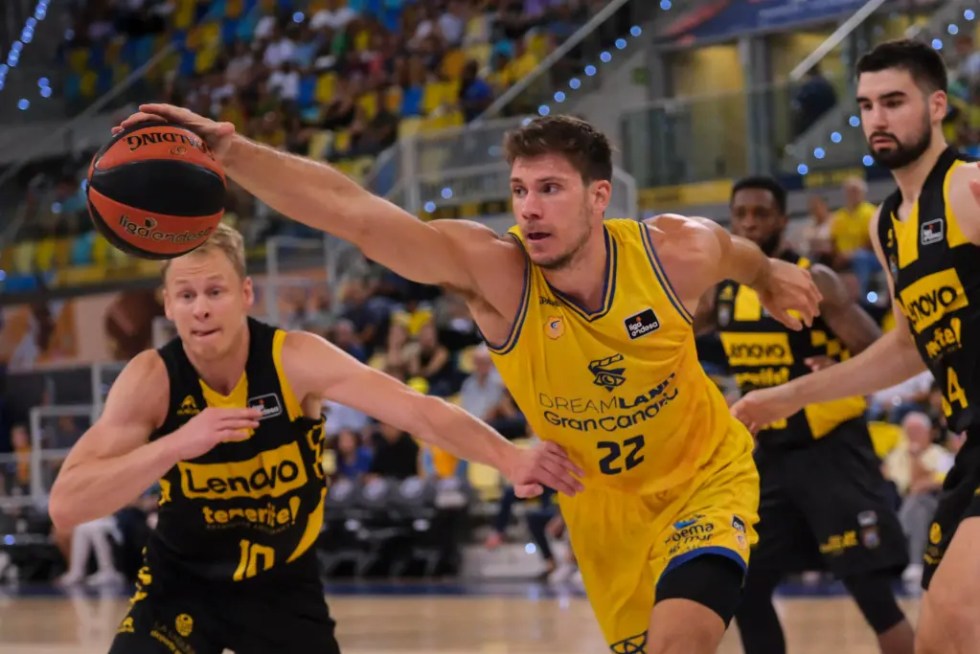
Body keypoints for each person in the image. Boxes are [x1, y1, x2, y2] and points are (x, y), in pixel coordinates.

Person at [113, 106, 821, 654]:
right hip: (600, 504)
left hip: (703, 474)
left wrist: (770, 272)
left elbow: (736, 253)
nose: (529, 209)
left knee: (682, 642)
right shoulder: (496, 276)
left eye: (550, 189)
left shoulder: (676, 253)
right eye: (519, 190)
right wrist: (230, 153)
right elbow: (357, 216)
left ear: (599, 196)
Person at [48, 224, 583, 654]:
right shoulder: (152, 379)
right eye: (186, 295)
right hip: (181, 582)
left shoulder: (293, 359)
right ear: (167, 304)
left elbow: (419, 412)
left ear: (245, 294)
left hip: (284, 587)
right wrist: (174, 445)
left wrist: (510, 458)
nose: (202, 307)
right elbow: (67, 504)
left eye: (215, 291)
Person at [730, 39, 980, 654]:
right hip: (969, 445)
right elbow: (904, 348)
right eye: (867, 105)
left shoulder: (971, 188)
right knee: (940, 640)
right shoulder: (886, 223)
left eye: (894, 101)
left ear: (937, 105)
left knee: (950, 613)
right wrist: (788, 395)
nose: (878, 118)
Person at [695, 176, 913, 654]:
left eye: (760, 213)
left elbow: (881, 352)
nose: (749, 223)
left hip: (831, 453)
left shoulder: (815, 279)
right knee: (746, 590)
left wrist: (843, 367)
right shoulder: (722, 294)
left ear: (781, 219)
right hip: (769, 458)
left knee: (872, 594)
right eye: (741, 214)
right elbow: (669, 333)